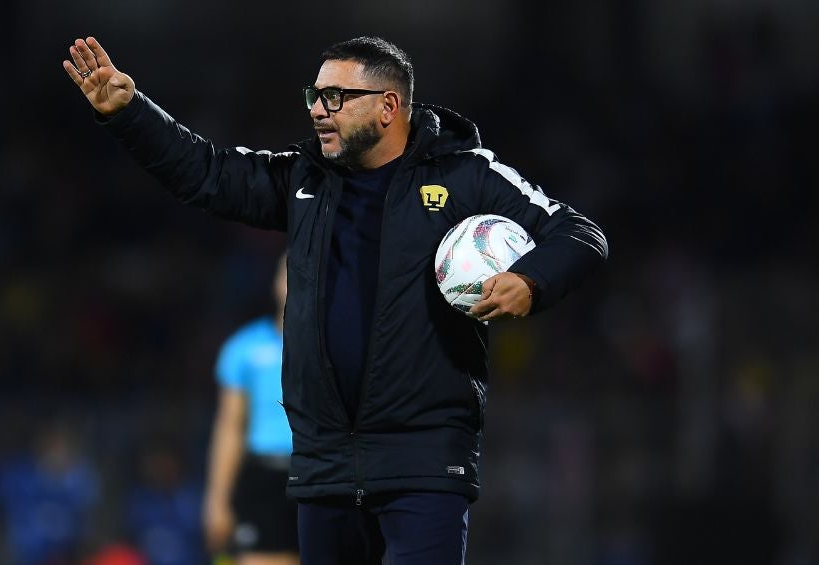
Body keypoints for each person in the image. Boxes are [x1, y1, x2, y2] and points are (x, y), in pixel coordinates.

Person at [63, 35, 608, 565]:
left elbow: (580, 234)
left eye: (337, 98)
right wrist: (129, 112)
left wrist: (530, 281)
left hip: (423, 455)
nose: (319, 110)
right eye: (315, 97)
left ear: (389, 106)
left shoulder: (465, 175)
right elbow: (209, 172)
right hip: (324, 461)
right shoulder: (306, 178)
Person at [202, 255, 298, 565]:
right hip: (264, 478)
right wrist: (217, 498)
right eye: (288, 275)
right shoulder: (243, 348)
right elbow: (230, 426)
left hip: (320, 472)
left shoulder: (338, 346)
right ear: (275, 283)